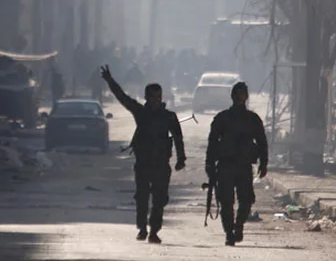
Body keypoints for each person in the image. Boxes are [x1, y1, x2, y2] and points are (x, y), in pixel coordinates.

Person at [100, 65, 186, 244]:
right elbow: (122, 98)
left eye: (158, 97)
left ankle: (154, 230)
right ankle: (142, 228)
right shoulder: (141, 113)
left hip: (161, 164)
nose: (156, 100)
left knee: (160, 199)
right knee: (142, 197)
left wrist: (181, 159)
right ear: (146, 97)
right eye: (152, 97)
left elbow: (178, 138)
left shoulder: (169, 116)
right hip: (144, 164)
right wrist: (110, 81)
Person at [205, 81, 268, 246]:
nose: (240, 97)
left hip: (244, 165)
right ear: (233, 96)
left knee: (246, 200)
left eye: (243, 94)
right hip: (226, 165)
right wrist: (209, 164)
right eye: (238, 94)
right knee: (226, 202)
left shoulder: (252, 119)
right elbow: (212, 142)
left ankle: (238, 226)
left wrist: (264, 163)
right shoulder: (222, 118)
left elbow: (262, 142)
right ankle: (229, 233)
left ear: (246, 97)